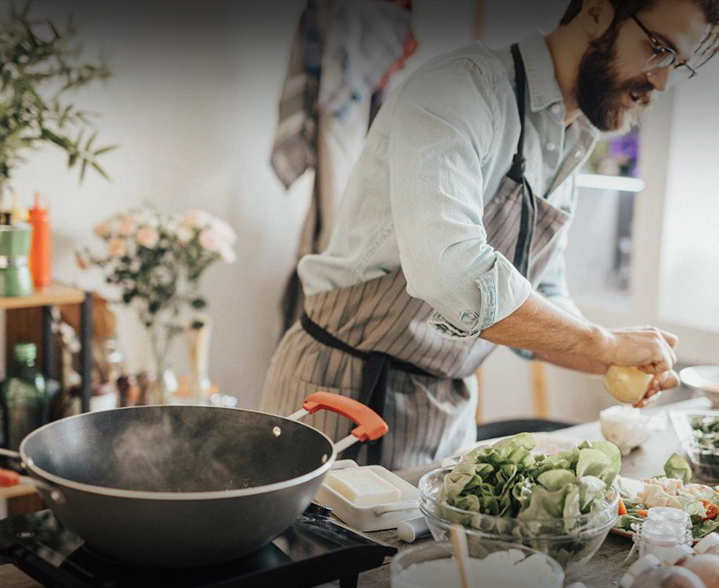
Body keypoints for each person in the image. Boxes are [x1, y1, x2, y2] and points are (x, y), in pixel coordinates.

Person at [261, 0, 719, 470]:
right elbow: (454, 276)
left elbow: (544, 294)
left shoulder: (572, 138)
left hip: (443, 414)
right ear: (598, 10)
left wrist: (614, 359)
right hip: (341, 392)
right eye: (658, 48)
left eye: (678, 64)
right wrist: (603, 342)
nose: (662, 82)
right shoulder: (459, 89)